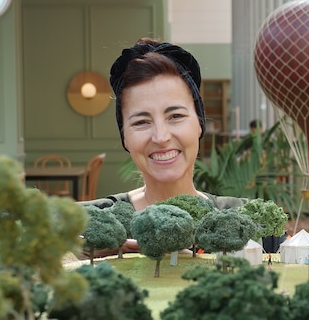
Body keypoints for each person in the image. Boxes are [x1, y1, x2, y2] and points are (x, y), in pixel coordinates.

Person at [81, 39, 246, 253]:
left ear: (199, 124)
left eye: (175, 116)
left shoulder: (247, 221)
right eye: (141, 122)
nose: (160, 137)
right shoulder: (85, 225)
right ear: (125, 138)